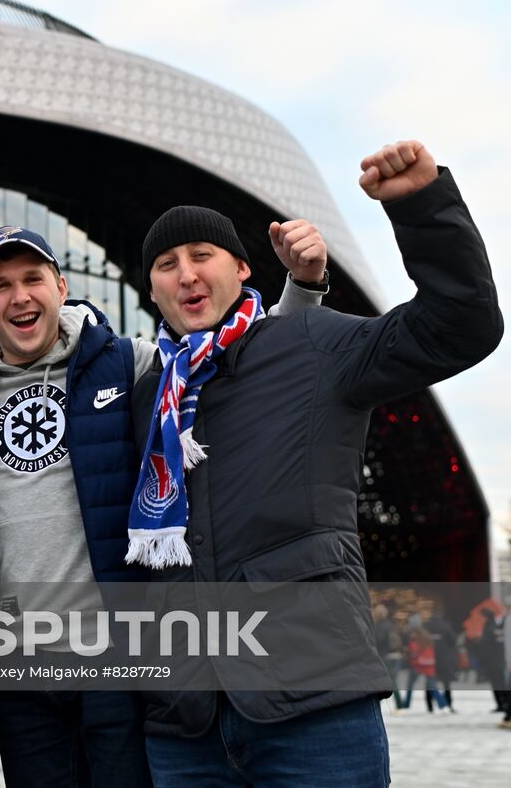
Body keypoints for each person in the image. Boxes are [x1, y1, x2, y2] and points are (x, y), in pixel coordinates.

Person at [131, 141, 501, 785]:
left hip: (311, 704)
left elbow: (460, 325)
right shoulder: (147, 394)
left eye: (201, 255)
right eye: (166, 264)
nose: (186, 274)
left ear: (243, 269)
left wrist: (422, 206)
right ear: (153, 288)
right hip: (184, 720)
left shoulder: (312, 341)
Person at [0, 219, 326, 788]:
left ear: (61, 287)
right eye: (0, 286)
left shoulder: (129, 363)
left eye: (33, 278)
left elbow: (248, 365)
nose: (19, 296)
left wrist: (304, 288)